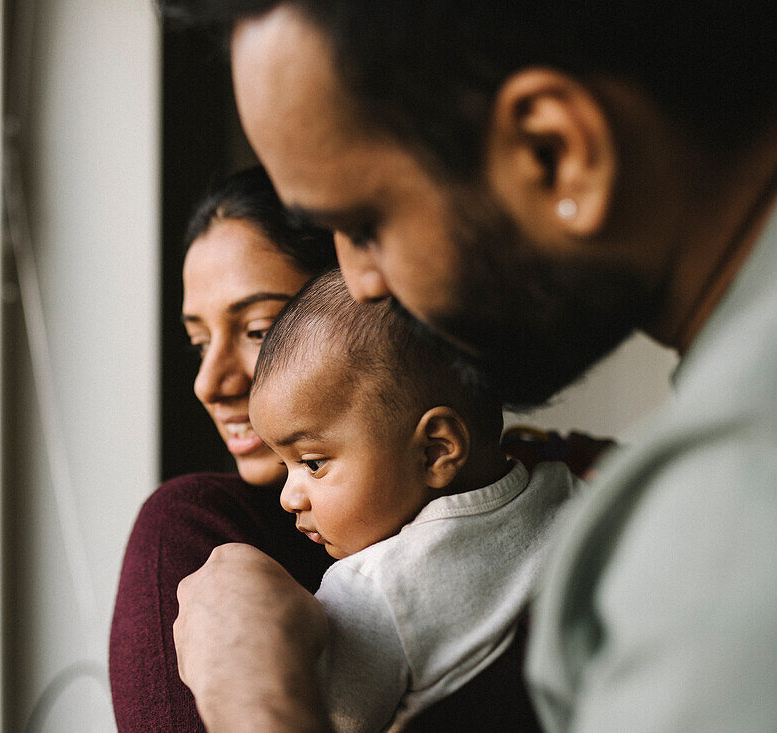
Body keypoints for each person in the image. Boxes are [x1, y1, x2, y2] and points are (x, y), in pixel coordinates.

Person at [158, 2, 777, 732]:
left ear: (554, 150)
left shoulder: (734, 509)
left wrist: (253, 697)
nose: (358, 283)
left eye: (366, 226)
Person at [248, 268, 579, 731]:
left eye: (313, 463)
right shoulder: (567, 492)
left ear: (436, 450)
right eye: (286, 466)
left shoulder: (370, 594)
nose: (288, 497)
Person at [108, 165, 338, 732]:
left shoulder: (547, 501)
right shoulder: (197, 532)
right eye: (199, 343)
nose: (208, 384)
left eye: (259, 330)